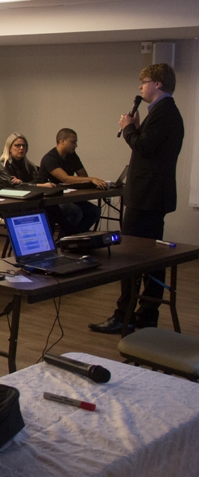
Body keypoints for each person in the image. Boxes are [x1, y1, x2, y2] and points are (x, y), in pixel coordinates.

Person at [90, 63, 185, 334]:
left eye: (143, 82)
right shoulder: (163, 112)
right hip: (152, 195)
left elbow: (143, 147)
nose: (140, 87)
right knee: (148, 259)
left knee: (131, 257)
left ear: (157, 83)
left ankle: (126, 315)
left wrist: (129, 128)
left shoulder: (164, 112)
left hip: (147, 197)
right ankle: (144, 315)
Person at [37, 128, 107, 235]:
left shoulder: (72, 156)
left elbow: (83, 176)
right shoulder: (50, 158)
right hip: (52, 199)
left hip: (68, 196)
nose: (76, 145)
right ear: (62, 141)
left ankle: (76, 238)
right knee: (75, 211)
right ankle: (65, 240)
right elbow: (65, 178)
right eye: (73, 142)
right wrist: (92, 179)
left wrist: (90, 180)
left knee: (95, 212)